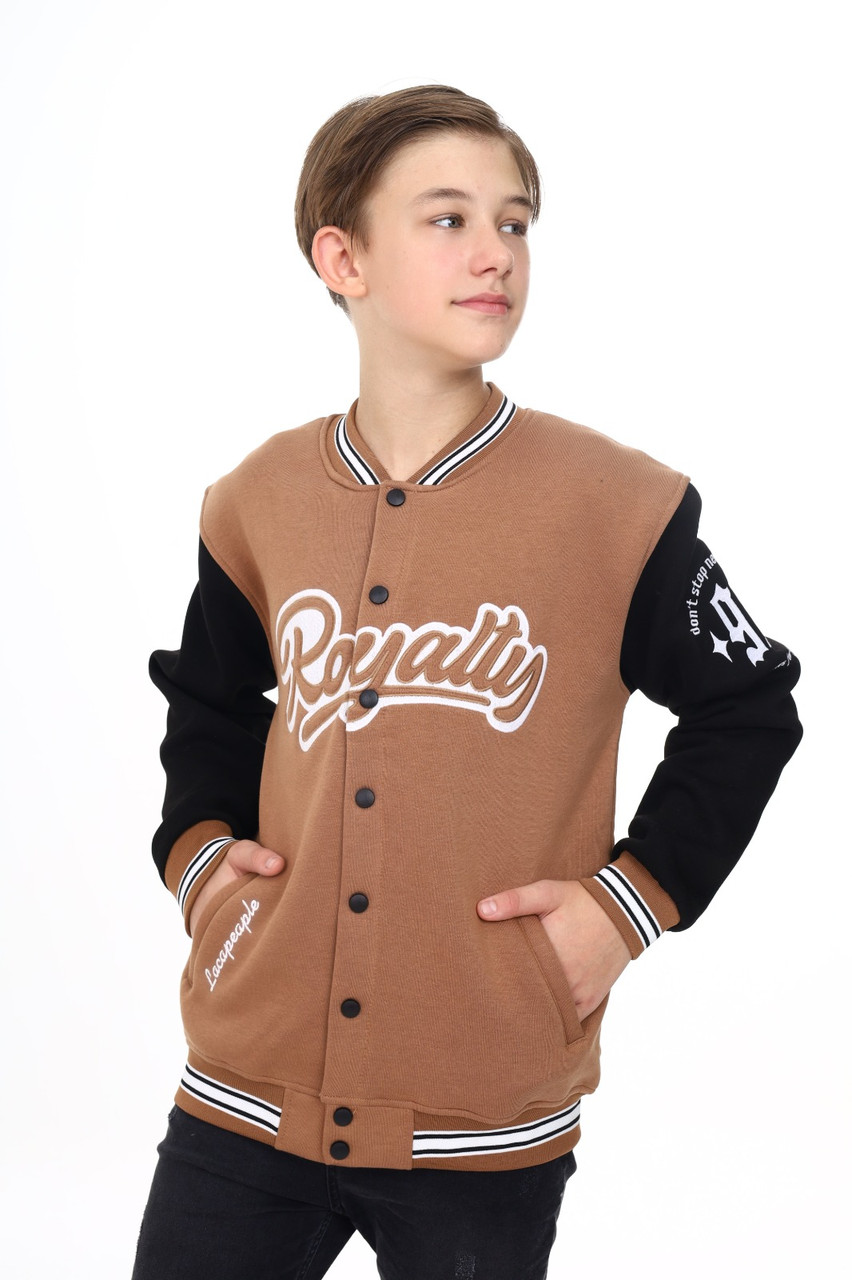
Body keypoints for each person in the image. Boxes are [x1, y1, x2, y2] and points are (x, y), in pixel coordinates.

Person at [132, 85, 802, 1279]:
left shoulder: (618, 504)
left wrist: (625, 906)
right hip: (244, 1088)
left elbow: (748, 706)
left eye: (516, 221)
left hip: (485, 1109)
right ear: (342, 258)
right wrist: (201, 865)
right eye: (447, 219)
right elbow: (209, 701)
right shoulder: (256, 499)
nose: (496, 251)